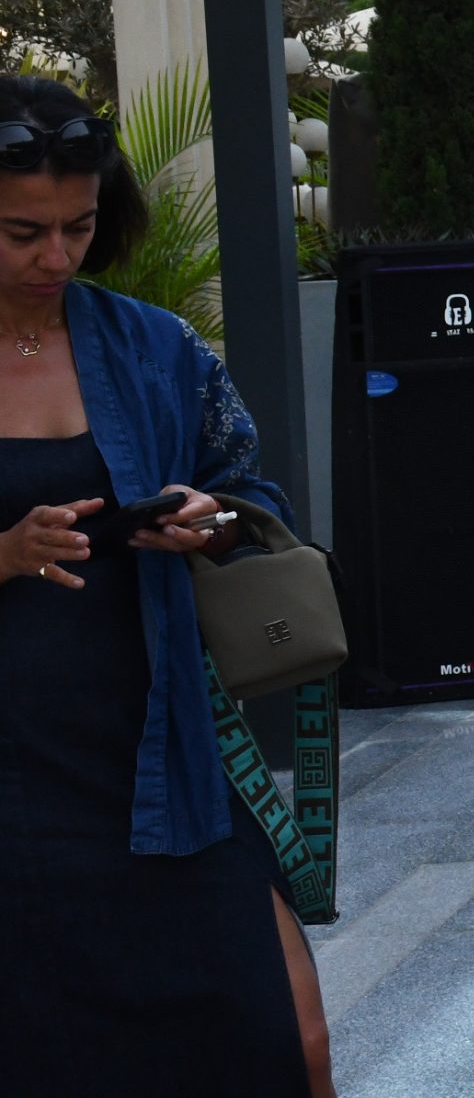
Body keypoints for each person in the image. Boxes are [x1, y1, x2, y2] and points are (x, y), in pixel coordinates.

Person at [0, 75, 336, 1098]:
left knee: (284, 1039)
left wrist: (207, 518)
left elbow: (250, 497)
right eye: (22, 233)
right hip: (18, 789)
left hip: (162, 752)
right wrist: (5, 552)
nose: (56, 257)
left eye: (78, 227)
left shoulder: (151, 346)